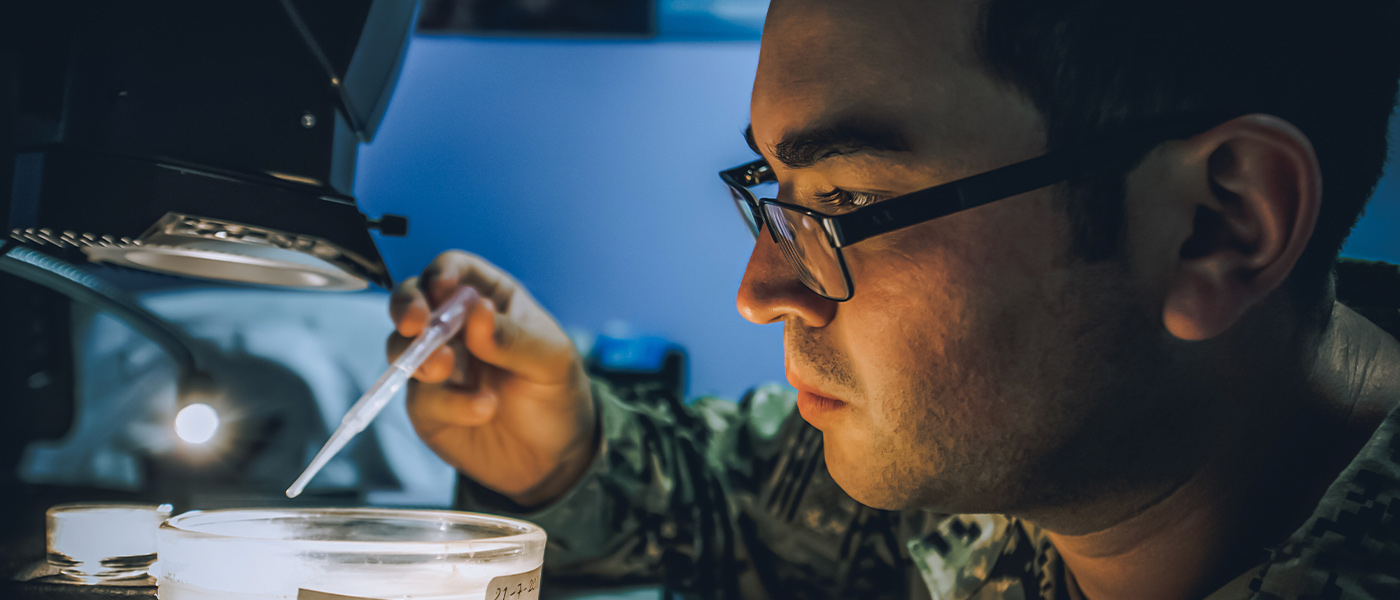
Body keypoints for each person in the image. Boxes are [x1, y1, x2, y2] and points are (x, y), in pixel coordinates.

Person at [386, 0, 1400, 597]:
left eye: (848, 199)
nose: (758, 292)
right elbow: (751, 500)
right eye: (778, 197)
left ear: (1215, 227)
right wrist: (564, 445)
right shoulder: (1025, 455)